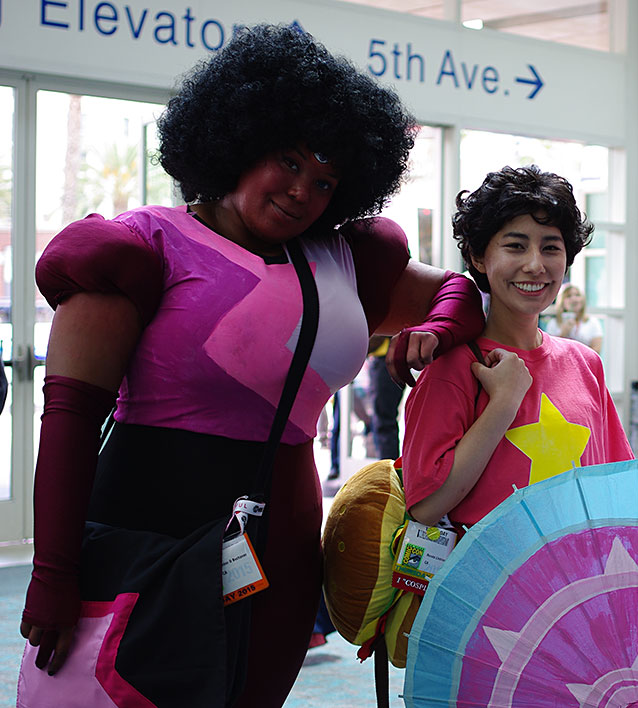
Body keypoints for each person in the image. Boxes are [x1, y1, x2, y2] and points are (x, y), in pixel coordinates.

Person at [19, 24, 484, 707]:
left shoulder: (345, 260)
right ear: (238, 140)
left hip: (282, 544)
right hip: (146, 530)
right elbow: (69, 419)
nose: (302, 192)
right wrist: (53, 571)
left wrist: (436, 330)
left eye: (324, 180)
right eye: (288, 162)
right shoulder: (141, 248)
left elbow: (459, 294)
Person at [403, 165, 633, 529]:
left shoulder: (585, 362)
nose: (535, 265)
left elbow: (615, 486)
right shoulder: (452, 368)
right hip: (488, 566)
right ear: (479, 257)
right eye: (516, 246)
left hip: (580, 563)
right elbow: (426, 506)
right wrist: (504, 402)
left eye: (551, 248)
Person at [545, 283, 603, 353]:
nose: (574, 299)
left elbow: (597, 350)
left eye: (577, 295)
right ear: (562, 301)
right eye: (569, 296)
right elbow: (550, 350)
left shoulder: (592, 322)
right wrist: (563, 333)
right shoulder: (553, 323)